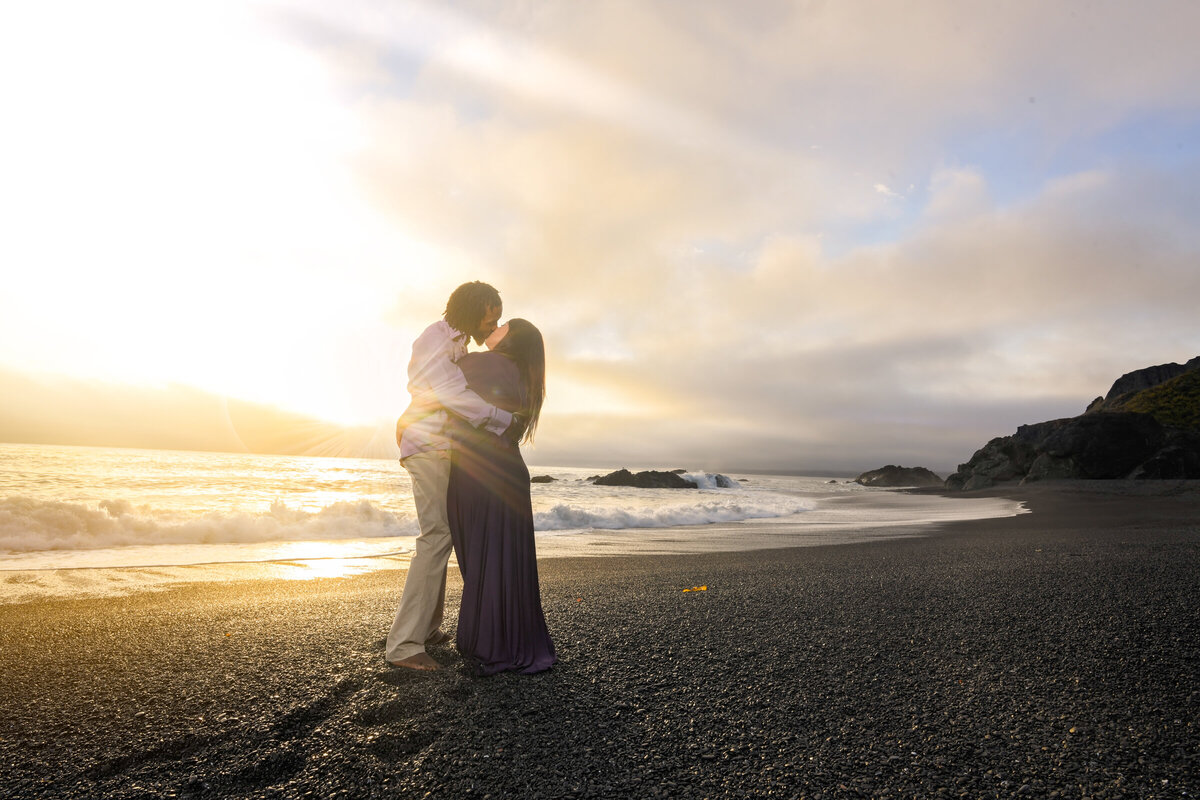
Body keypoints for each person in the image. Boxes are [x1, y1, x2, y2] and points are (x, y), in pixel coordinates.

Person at [385, 282, 517, 672]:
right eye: (493, 311)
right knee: (436, 536)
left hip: (440, 445)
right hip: (426, 444)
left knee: (443, 533)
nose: (494, 321)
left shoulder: (456, 343)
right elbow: (452, 394)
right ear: (480, 308)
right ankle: (404, 645)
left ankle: (427, 628)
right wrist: (504, 421)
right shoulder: (435, 338)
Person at [447, 318, 556, 675]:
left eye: (503, 324)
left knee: (485, 557)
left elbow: (444, 375)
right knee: (505, 560)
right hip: (506, 471)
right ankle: (508, 638)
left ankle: (491, 641)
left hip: (483, 472)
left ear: (512, 338)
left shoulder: (490, 364)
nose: (495, 326)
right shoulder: (526, 375)